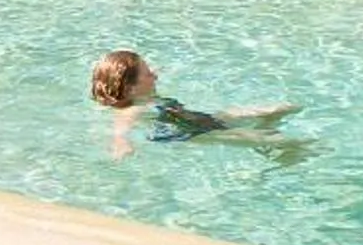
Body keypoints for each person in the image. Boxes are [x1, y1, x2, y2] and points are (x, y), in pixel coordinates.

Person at [89, 49, 298, 161]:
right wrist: (121, 144)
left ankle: (265, 132)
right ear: (131, 88)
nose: (155, 74)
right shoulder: (131, 108)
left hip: (194, 119)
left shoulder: (140, 93)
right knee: (282, 142)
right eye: (148, 73)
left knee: (281, 108)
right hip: (189, 134)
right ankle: (279, 157)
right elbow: (121, 128)